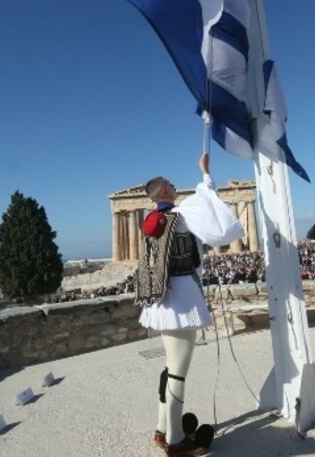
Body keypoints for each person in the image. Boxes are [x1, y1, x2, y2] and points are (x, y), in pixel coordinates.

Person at [136, 153, 243, 456]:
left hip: (160, 300)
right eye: (170, 184)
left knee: (169, 367)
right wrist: (205, 174)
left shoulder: (154, 221)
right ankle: (176, 441)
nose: (174, 185)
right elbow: (214, 214)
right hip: (182, 298)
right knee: (177, 373)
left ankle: (162, 430)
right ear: (166, 192)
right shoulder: (183, 215)